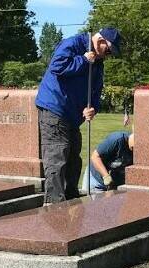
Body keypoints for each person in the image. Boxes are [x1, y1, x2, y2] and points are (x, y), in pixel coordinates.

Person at [35, 27, 122, 204]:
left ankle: (72, 201)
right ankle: (55, 205)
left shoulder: (98, 63)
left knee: (74, 159)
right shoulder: (73, 44)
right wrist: (82, 60)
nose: (108, 56)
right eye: (108, 51)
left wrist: (92, 108)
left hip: (73, 116)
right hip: (55, 108)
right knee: (57, 157)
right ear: (101, 41)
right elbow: (57, 66)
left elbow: (96, 91)